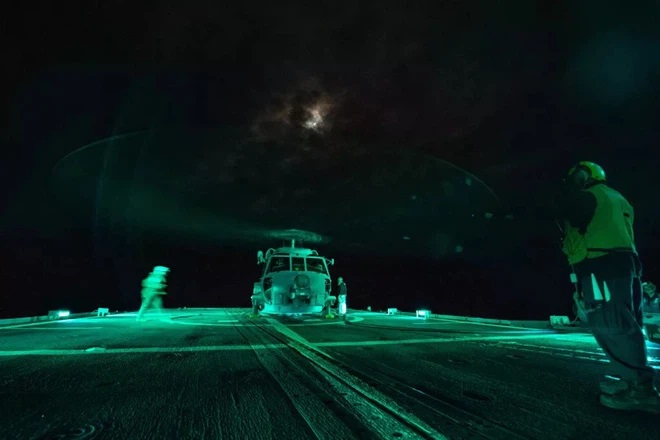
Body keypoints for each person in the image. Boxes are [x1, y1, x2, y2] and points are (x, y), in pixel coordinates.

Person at [558, 161, 658, 413]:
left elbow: (568, 219)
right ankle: (632, 380)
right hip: (626, 263)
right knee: (628, 323)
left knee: (610, 322)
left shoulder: (588, 196)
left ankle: (640, 390)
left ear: (583, 176)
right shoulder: (616, 197)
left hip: (601, 263)